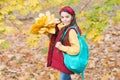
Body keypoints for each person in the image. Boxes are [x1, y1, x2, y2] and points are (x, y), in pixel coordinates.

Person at [47, 6, 82, 80]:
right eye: (62, 17)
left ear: (72, 17)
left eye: (67, 17)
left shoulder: (71, 31)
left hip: (67, 63)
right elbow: (57, 40)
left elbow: (76, 49)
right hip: (64, 63)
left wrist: (61, 47)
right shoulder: (63, 28)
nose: (64, 19)